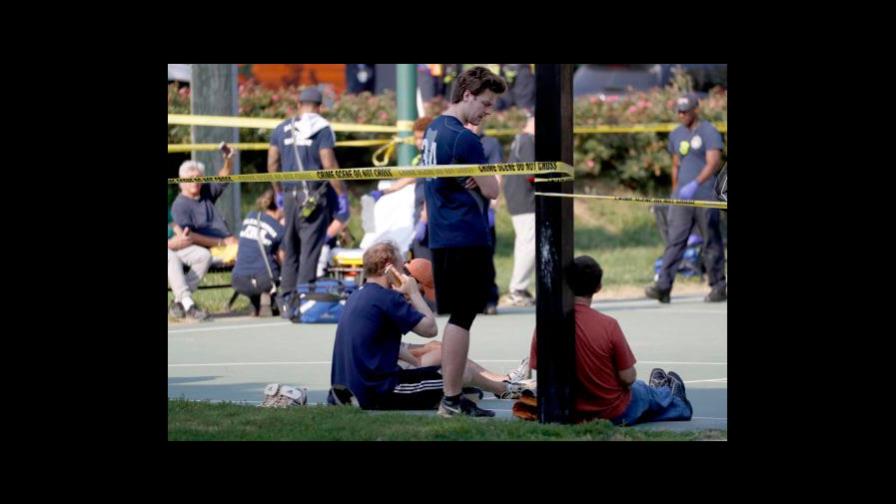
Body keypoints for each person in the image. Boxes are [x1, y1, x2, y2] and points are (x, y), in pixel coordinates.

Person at [328, 242, 527, 411]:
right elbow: (430, 328)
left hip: (351, 387)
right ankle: (504, 389)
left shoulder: (357, 294)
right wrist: (413, 292)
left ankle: (502, 386)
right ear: (388, 267)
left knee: (468, 391)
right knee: (457, 376)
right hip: (377, 391)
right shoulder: (386, 298)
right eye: (401, 264)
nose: (404, 270)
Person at [421, 66, 507, 417]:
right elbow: (493, 190)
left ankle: (453, 398)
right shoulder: (465, 139)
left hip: (443, 236)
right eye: (485, 103)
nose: (487, 112)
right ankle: (452, 399)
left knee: (461, 316)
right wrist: (478, 175)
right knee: (462, 318)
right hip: (464, 237)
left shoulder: (433, 129)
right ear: (467, 94)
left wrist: (472, 174)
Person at [529, 255, 694, 426]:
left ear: (566, 283)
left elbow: (537, 368)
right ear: (598, 287)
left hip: (566, 411)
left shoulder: (545, 324)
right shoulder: (608, 325)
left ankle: (660, 394)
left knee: (638, 392)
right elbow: (627, 378)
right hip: (611, 411)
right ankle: (672, 398)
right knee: (640, 389)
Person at [268, 87, 350, 320]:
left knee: (290, 248)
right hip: (313, 197)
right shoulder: (322, 128)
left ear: (298, 104)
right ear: (320, 106)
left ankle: (285, 300)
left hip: (290, 196)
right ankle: (302, 301)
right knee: (309, 250)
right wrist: (341, 193)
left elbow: (272, 162)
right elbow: (328, 162)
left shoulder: (281, 127)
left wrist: (278, 192)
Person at [645, 93, 727, 303]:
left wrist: (696, 184)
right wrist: (676, 191)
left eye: (685, 111)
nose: (681, 115)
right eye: (679, 111)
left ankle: (718, 286)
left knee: (711, 240)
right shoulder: (676, 134)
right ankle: (663, 286)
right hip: (682, 198)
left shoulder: (709, 131)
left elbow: (714, 162)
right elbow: (676, 164)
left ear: (695, 110)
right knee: (675, 240)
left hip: (705, 195)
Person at [169, 151, 237, 321]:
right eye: (191, 178)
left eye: (199, 177)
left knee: (254, 247)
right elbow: (188, 237)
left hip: (222, 245)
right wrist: (222, 243)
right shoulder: (180, 206)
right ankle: (186, 303)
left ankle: (180, 302)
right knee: (241, 251)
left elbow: (224, 177)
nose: (196, 181)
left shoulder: (205, 191)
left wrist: (228, 159)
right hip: (211, 248)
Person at [499, 111, 537, 307]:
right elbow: (532, 174)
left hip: (522, 199)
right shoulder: (527, 140)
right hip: (524, 200)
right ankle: (517, 289)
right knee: (528, 244)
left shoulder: (522, 140)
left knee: (527, 244)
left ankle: (520, 287)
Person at [464, 121, 501, 315]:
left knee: (485, 258)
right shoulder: (457, 142)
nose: (473, 125)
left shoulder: (490, 143)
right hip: (461, 212)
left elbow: (496, 174)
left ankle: (490, 299)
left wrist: (493, 206)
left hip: (483, 210)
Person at [231, 189, 286, 317]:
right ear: (280, 206)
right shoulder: (279, 230)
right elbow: (284, 260)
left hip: (237, 279)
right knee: (276, 265)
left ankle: (256, 304)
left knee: (256, 259)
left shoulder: (249, 217)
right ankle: (268, 298)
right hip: (263, 281)